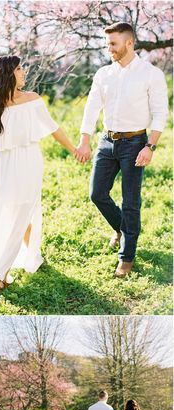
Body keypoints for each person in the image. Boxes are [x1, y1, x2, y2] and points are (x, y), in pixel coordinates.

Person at [0, 55, 79, 293]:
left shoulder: (32, 100)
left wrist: (74, 150)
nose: (24, 72)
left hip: (29, 162)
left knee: (20, 212)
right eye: (20, 68)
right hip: (3, 165)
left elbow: (54, 128)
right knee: (9, 212)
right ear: (8, 73)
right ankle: (34, 255)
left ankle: (0, 275)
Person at [77, 22, 168, 278]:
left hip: (135, 143)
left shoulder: (150, 74)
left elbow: (161, 113)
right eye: (107, 45)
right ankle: (121, 229)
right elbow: (91, 108)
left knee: (131, 202)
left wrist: (150, 146)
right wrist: (85, 140)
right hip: (107, 142)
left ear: (129, 43)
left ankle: (126, 257)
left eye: (113, 44)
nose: (109, 49)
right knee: (97, 194)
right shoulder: (103, 74)